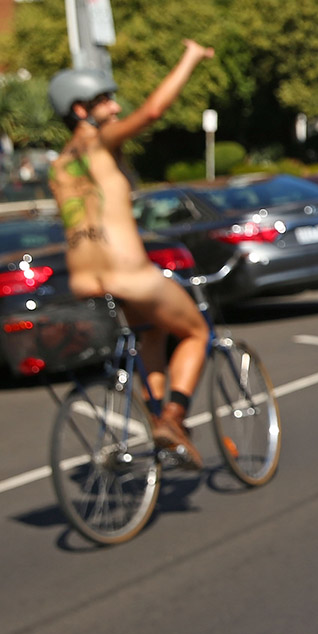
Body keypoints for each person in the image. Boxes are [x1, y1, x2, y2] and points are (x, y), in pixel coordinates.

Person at [47, 40, 216, 469]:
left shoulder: (58, 166)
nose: (116, 108)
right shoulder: (100, 144)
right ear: (80, 111)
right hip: (128, 274)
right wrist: (190, 58)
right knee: (196, 332)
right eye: (105, 101)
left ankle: (159, 416)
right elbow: (154, 111)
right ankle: (174, 417)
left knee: (153, 334)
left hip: (87, 280)